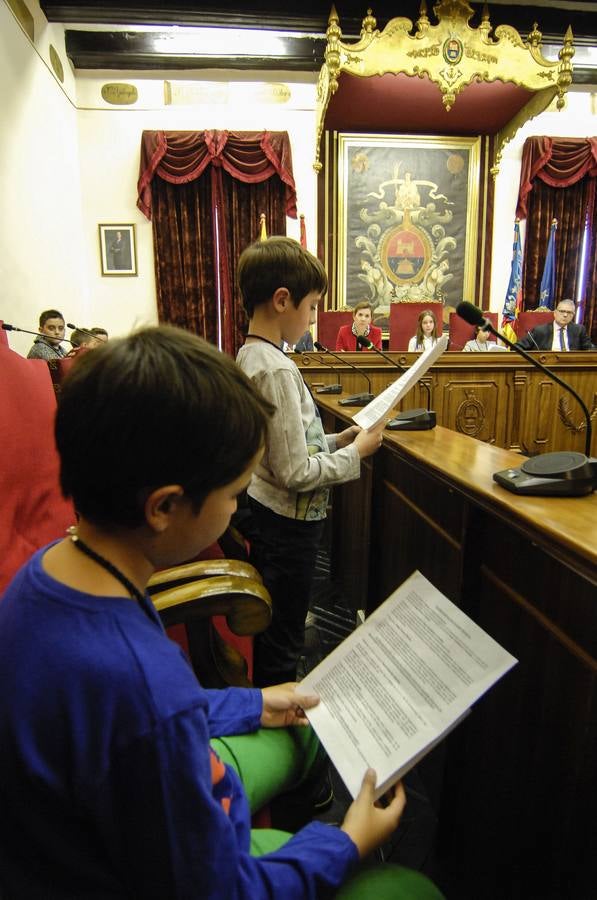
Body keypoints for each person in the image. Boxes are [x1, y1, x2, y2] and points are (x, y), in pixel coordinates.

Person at [0, 326, 442, 900]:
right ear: (164, 507)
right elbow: (220, 888)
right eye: (234, 493)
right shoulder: (139, 677)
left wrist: (254, 701)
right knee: (406, 888)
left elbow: (123, 722)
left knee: (300, 729)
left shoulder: (46, 574)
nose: (237, 508)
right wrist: (348, 842)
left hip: (85, 839)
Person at [236, 237, 385, 688]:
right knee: (282, 634)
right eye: (313, 307)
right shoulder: (276, 368)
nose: (314, 318)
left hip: (271, 516)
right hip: (287, 527)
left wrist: (339, 438)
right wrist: (355, 454)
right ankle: (280, 726)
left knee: (279, 624)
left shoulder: (253, 354)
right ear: (283, 300)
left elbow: (290, 445)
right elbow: (296, 473)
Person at [515, 299, 595, 351]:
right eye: (562, 311)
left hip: (572, 370)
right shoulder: (540, 331)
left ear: (573, 315)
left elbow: (590, 350)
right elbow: (517, 348)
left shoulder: (579, 330)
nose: (565, 315)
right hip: (545, 368)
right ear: (555, 313)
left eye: (569, 312)